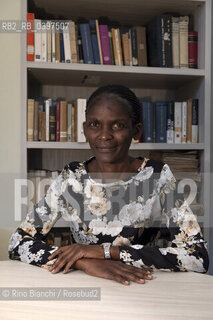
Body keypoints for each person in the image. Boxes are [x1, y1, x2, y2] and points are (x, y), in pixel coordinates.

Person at [9, 85, 209, 285]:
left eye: (118, 125)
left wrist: (107, 252)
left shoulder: (157, 176)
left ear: (136, 130)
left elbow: (198, 256)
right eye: (95, 124)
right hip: (82, 284)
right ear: (85, 128)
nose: (104, 135)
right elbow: (18, 243)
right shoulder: (72, 177)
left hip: (140, 286)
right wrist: (84, 262)